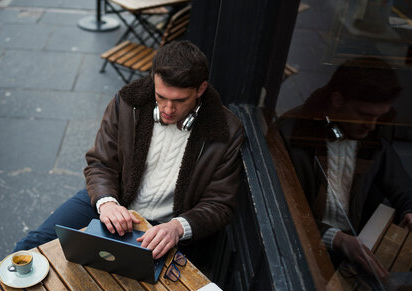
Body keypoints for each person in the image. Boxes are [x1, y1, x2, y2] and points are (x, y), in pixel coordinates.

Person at [14, 40, 244, 264]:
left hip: (161, 227)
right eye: (161, 97)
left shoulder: (226, 131)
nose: (167, 109)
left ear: (201, 89)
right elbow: (100, 163)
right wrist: (107, 203)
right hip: (113, 198)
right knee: (28, 248)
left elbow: (219, 205)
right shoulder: (128, 103)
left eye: (179, 101)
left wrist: (177, 227)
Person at [276, 57, 412, 280]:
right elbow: (282, 213)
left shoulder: (376, 131)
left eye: (379, 116)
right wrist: (338, 239)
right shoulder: (291, 134)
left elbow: (401, 185)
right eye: (364, 115)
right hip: (305, 248)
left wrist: (411, 211)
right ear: (337, 99)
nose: (371, 125)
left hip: (357, 244)